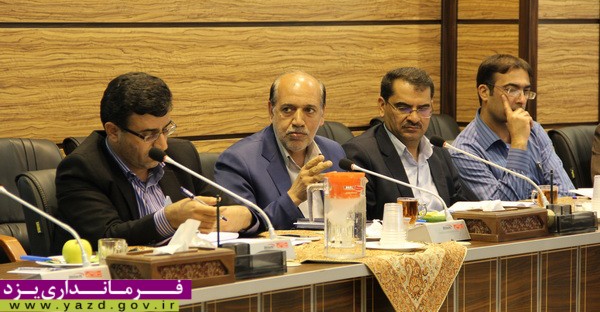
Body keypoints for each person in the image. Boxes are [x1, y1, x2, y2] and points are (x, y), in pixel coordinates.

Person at [54, 72, 252, 252]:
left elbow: (229, 209)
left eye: (166, 129)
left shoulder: (181, 155)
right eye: (149, 135)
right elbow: (107, 237)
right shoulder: (82, 169)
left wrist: (243, 217)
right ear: (113, 131)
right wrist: (168, 219)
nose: (162, 144)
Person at [214, 71, 345, 233]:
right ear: (271, 111)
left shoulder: (334, 152)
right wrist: (293, 197)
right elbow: (242, 228)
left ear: (322, 113)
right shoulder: (238, 161)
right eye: (288, 109)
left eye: (309, 110)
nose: (298, 121)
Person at [342, 67, 474, 220]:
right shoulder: (361, 155)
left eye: (423, 108)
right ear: (382, 106)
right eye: (403, 108)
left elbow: (460, 210)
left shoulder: (439, 152)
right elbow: (361, 223)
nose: (414, 118)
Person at [452, 54, 574, 201]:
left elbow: (567, 193)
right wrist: (519, 143)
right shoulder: (465, 150)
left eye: (526, 91)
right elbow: (502, 208)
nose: (522, 100)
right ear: (484, 92)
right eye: (511, 90)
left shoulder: (534, 130)